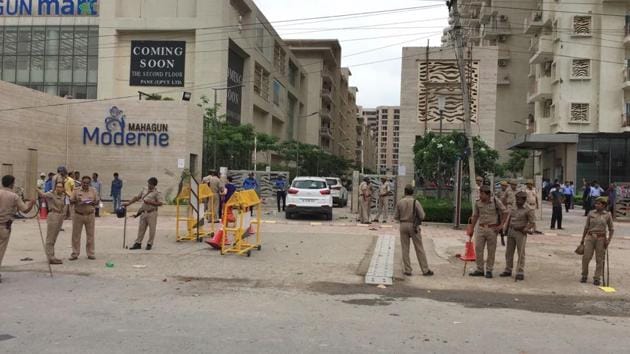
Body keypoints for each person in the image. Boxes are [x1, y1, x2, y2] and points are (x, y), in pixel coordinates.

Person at [0, 175, 36, 282]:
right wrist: (31, 203)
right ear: (12, 184)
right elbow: (25, 210)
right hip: (4, 226)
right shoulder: (14, 196)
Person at [468, 185, 508, 278]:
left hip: (492, 229)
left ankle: (489, 270)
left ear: (488, 194)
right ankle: (480, 269)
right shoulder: (478, 203)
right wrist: (471, 228)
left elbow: (505, 212)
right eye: (480, 193)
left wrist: (501, 225)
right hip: (481, 228)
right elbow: (475, 216)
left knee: (491, 251)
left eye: (482, 194)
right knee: (478, 249)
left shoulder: (495, 201)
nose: (480, 196)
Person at [395, 184, 433, 276]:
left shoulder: (400, 202)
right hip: (413, 225)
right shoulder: (416, 202)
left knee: (405, 248)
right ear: (413, 192)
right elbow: (422, 216)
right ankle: (425, 269)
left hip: (403, 225)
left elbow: (396, 217)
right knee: (419, 248)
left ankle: (407, 270)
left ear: (405, 192)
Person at [500, 191, 535, 281]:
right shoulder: (514, 206)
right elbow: (509, 217)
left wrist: (526, 228)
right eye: (516, 199)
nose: (517, 201)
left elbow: (532, 223)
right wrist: (506, 229)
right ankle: (508, 269)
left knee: (521, 253)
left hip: (520, 233)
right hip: (511, 231)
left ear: (524, 200)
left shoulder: (529, 209)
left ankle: (520, 271)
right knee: (509, 252)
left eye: (519, 200)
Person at [580, 197, 614, 285]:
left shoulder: (608, 215)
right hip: (590, 237)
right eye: (596, 203)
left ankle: (597, 277)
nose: (596, 205)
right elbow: (586, 227)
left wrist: (608, 240)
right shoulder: (591, 213)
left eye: (599, 204)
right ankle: (584, 275)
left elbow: (611, 229)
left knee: (600, 259)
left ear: (603, 205)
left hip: (601, 239)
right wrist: (582, 239)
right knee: (586, 257)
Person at [124, 177, 164, 251]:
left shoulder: (157, 192)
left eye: (150, 184)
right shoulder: (144, 189)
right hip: (143, 212)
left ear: (154, 185)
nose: (149, 185)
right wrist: (128, 203)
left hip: (152, 213)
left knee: (152, 229)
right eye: (148, 183)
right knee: (141, 229)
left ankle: (149, 244)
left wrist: (150, 202)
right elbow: (137, 198)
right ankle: (138, 243)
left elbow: (160, 203)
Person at [69, 176, 99, 260]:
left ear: (89, 183)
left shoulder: (93, 190)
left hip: (90, 215)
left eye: (87, 183)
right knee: (76, 235)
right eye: (84, 182)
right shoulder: (76, 190)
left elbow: (97, 201)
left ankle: (90, 253)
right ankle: (75, 253)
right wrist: (78, 202)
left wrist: (92, 202)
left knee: (90, 235)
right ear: (81, 182)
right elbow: (71, 200)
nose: (85, 184)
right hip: (78, 215)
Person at [37, 182, 66, 264]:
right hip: (53, 215)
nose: (59, 188)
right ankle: (50, 257)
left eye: (60, 187)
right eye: (57, 187)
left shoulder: (63, 196)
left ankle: (52, 256)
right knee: (50, 237)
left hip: (60, 216)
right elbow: (42, 195)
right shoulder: (51, 194)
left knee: (54, 237)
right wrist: (35, 189)